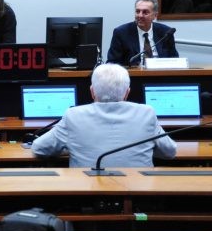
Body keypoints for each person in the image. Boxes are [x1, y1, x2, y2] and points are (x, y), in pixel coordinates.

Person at [31, 63, 176, 168]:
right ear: (127, 93)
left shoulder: (73, 115)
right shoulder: (147, 113)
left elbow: (39, 148)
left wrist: (70, 148)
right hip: (139, 195)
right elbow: (169, 151)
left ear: (92, 91)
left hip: (86, 196)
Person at [106, 0, 178, 66]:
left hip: (161, 74)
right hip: (133, 76)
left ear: (155, 15)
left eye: (145, 12)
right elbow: (112, 62)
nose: (140, 15)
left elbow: (175, 59)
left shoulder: (166, 32)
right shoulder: (121, 33)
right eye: (137, 11)